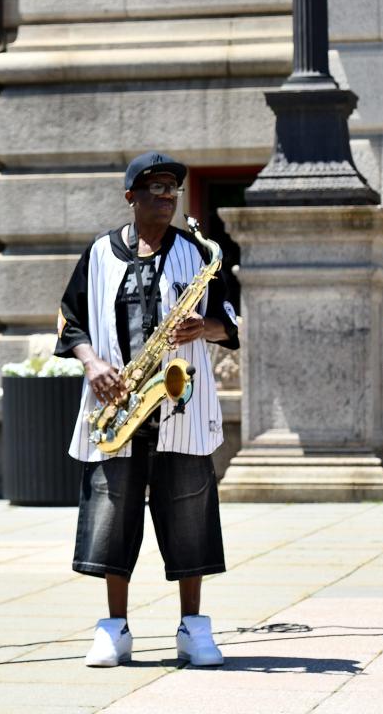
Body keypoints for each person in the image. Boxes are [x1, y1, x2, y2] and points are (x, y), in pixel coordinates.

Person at [55, 151, 239, 668]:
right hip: (117, 403)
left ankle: (193, 628)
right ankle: (115, 630)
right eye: (155, 187)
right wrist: (91, 364)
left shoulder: (200, 255)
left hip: (180, 404)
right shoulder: (98, 254)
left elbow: (232, 321)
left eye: (172, 189)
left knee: (190, 518)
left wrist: (205, 328)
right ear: (130, 195)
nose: (166, 196)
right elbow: (69, 322)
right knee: (112, 519)